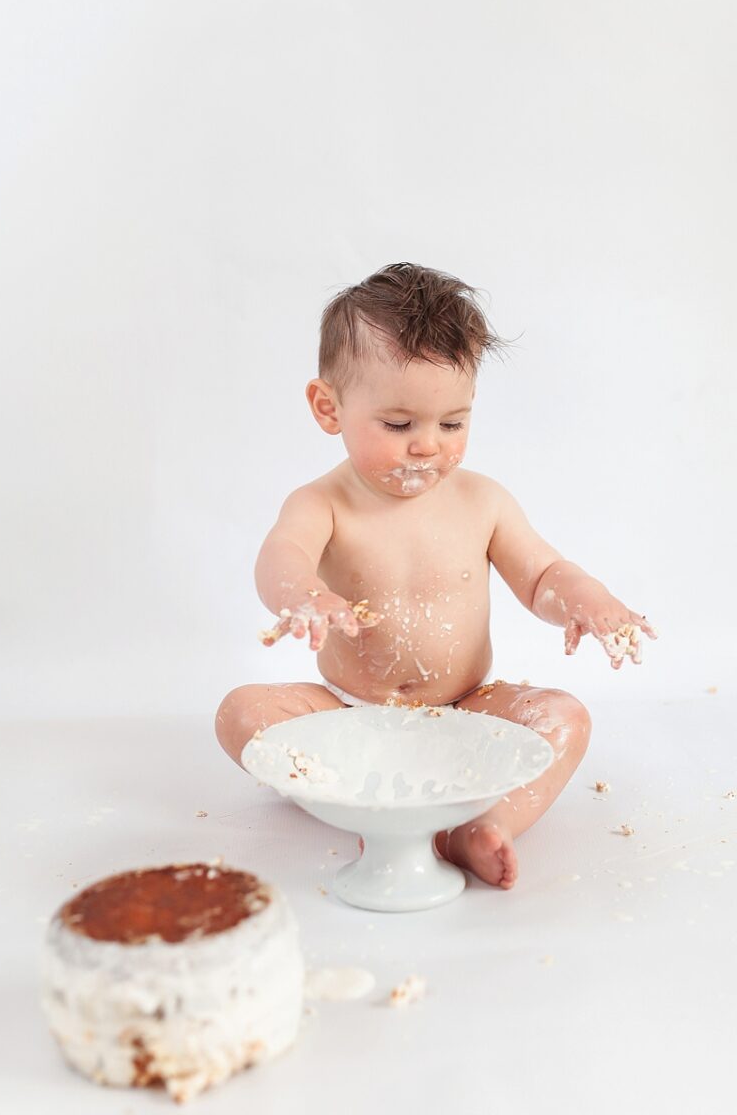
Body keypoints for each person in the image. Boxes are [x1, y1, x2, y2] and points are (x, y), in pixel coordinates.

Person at [215, 262, 656, 890]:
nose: (429, 445)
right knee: (241, 712)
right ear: (328, 407)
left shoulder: (484, 502)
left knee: (565, 717)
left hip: (464, 714)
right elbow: (280, 556)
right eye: (399, 425)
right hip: (351, 716)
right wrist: (305, 596)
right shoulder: (323, 503)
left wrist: (586, 598)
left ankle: (478, 827)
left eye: (453, 423)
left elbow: (541, 577)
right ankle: (356, 800)